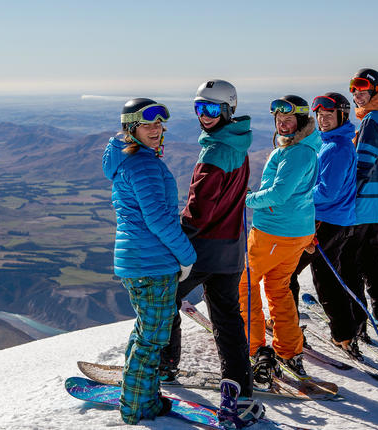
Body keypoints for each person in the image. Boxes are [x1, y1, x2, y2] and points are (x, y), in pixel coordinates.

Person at [158, 80, 260, 425]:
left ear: (228, 110)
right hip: (232, 249)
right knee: (227, 318)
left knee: (165, 299)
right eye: (200, 108)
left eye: (212, 109)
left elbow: (198, 209)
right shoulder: (238, 144)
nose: (205, 116)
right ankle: (240, 391)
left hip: (203, 249)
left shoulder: (215, 153)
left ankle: (165, 366)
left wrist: (176, 238)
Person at [102, 97, 197, 425]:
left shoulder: (128, 159)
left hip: (137, 260)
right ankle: (136, 407)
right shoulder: (143, 164)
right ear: (131, 128)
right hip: (151, 262)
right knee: (153, 337)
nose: (156, 130)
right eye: (148, 124)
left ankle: (143, 393)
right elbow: (158, 219)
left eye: (158, 124)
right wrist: (187, 256)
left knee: (146, 331)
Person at [239, 95, 321, 385]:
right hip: (295, 232)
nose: (282, 123)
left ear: (300, 121)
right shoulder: (308, 147)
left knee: (244, 284)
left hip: (274, 232)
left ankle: (253, 348)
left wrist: (245, 198)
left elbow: (278, 194)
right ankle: (289, 350)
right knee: (278, 287)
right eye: (278, 119)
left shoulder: (296, 152)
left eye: (288, 118)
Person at [287, 92, 360, 357]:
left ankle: (288, 329)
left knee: (286, 274)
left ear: (342, 115)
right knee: (327, 278)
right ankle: (344, 334)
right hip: (337, 221)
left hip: (325, 222)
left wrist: (296, 192)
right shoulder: (333, 143)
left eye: (329, 114)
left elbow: (327, 192)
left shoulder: (337, 148)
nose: (323, 119)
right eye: (319, 115)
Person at [340, 68, 378, 341]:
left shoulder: (372, 120)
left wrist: (344, 191)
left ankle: (357, 322)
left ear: (376, 89)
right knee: (375, 263)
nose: (356, 93)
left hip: (362, 204)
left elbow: (363, 162)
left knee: (351, 264)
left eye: (362, 87)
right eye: (353, 88)